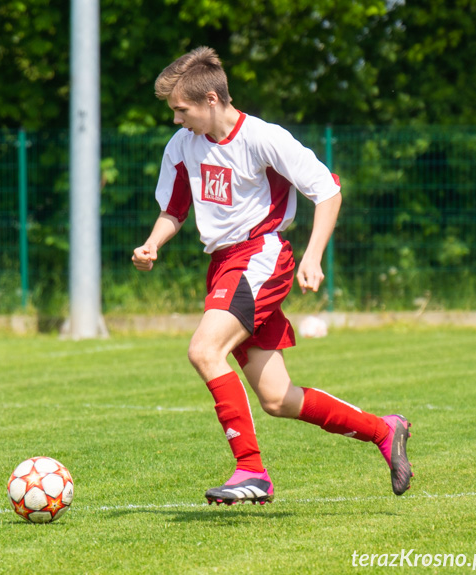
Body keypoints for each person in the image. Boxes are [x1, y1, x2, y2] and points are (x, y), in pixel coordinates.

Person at [132, 47, 412, 505]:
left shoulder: (263, 138)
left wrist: (313, 255)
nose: (176, 120)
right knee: (278, 398)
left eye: (181, 110)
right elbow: (174, 209)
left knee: (204, 350)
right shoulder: (181, 146)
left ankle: (251, 470)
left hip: (260, 256)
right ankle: (386, 430)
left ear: (211, 99)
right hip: (224, 264)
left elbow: (328, 190)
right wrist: (152, 244)